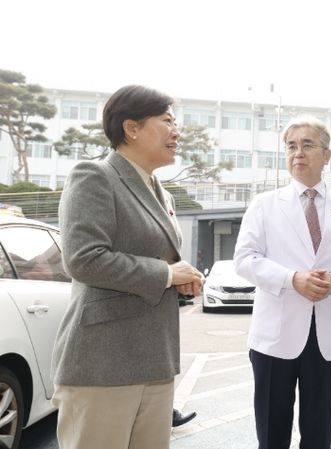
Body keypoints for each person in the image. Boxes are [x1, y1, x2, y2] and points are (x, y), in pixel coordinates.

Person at [51, 85, 205, 449]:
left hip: (156, 360)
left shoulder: (161, 191)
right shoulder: (94, 176)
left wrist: (180, 277)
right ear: (131, 128)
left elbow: (156, 258)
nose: (176, 132)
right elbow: (84, 258)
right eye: (167, 121)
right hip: (104, 363)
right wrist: (167, 274)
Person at [234, 116, 331, 449]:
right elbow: (245, 259)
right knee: (272, 433)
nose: (298, 153)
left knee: (319, 433)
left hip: (326, 336)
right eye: (291, 146)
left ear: (327, 155)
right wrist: (291, 279)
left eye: (308, 145)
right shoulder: (264, 205)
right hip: (275, 336)